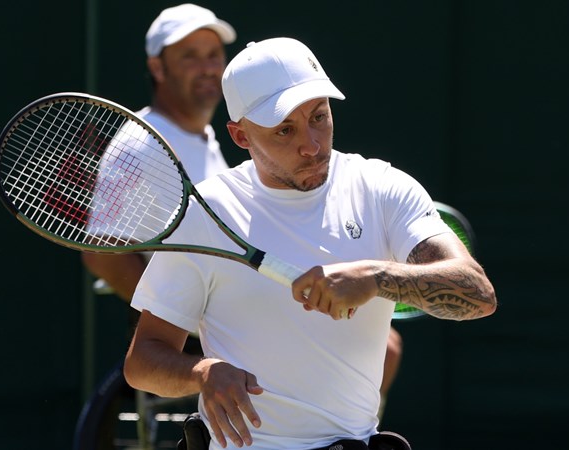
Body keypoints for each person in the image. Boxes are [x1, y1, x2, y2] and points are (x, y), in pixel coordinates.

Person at [123, 36, 497, 449]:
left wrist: (376, 277)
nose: (312, 145)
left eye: (319, 117)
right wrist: (201, 373)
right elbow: (142, 363)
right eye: (285, 130)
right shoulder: (206, 212)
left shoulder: (383, 188)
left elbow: (477, 294)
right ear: (241, 135)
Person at [81, 3, 237, 300]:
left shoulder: (202, 135)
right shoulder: (139, 144)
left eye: (214, 55)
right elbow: (103, 253)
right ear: (157, 68)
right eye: (190, 56)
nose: (207, 68)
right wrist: (181, 326)